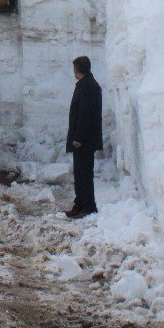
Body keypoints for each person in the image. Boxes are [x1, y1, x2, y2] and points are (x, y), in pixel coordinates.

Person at [65, 55, 103, 219]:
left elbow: (86, 115)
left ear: (78, 69)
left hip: (84, 141)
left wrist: (78, 138)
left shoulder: (88, 87)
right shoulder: (85, 84)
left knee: (84, 175)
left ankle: (88, 207)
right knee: (80, 174)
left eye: (74, 68)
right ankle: (80, 205)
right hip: (83, 140)